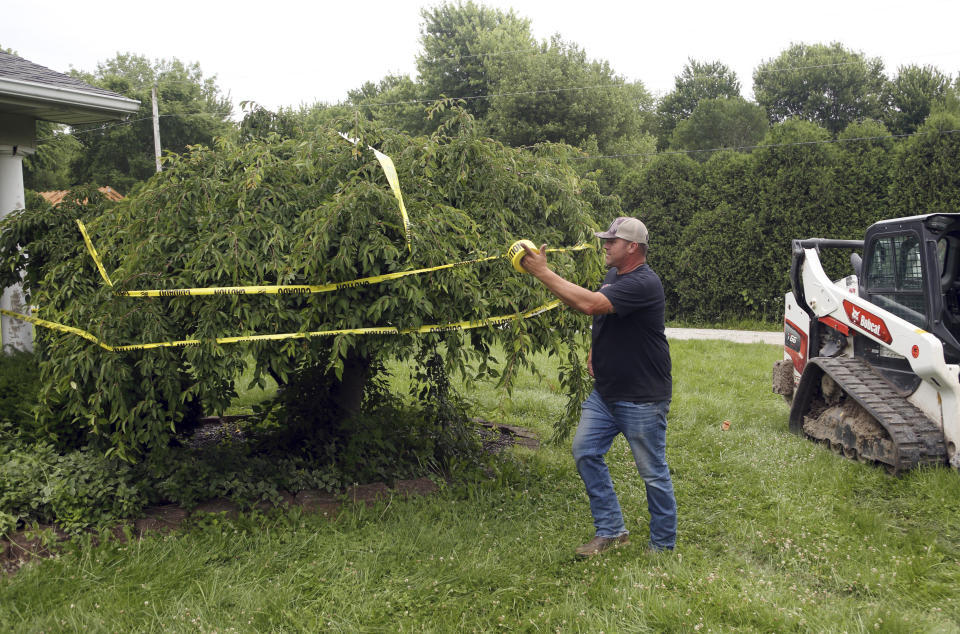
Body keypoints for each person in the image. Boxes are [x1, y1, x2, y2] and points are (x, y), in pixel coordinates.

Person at [520, 216, 676, 556]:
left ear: (632, 247)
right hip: (606, 393)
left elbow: (590, 304)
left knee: (652, 472)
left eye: (612, 241)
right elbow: (604, 313)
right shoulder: (615, 275)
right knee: (586, 451)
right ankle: (611, 530)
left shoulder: (644, 283)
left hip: (642, 398)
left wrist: (541, 272)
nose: (605, 245)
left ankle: (663, 545)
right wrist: (597, 347)